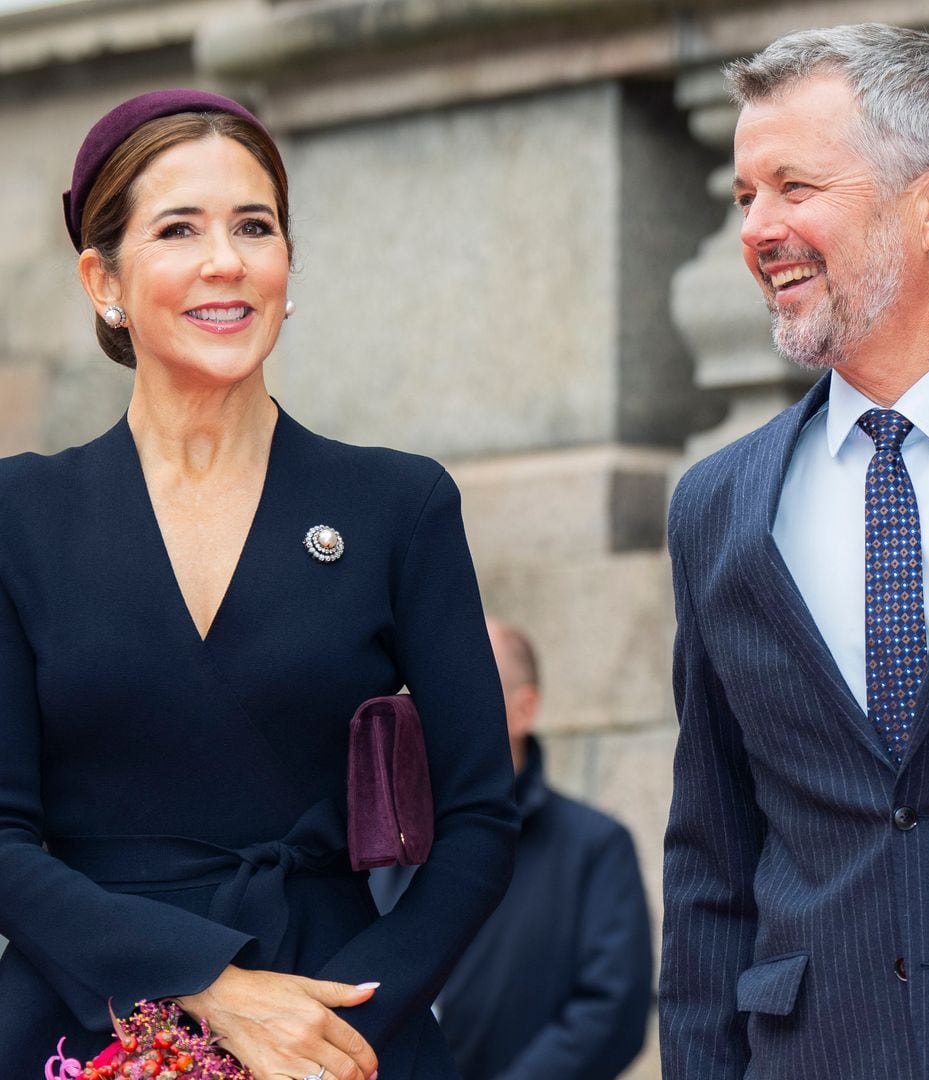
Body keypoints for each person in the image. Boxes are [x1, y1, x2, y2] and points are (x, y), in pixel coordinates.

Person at [0, 89, 519, 1080]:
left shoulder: (398, 504)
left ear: (289, 267)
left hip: (339, 1020)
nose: (225, 260)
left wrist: (338, 1029)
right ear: (102, 279)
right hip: (82, 1022)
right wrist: (208, 990)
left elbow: (482, 820)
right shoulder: (17, 517)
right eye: (178, 229)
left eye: (255, 225)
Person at [661, 22, 929, 1080]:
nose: (759, 228)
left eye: (795, 186)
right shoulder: (717, 504)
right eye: (745, 194)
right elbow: (712, 866)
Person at [373, 618, 652, 1079]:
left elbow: (611, 1011)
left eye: (466, 690)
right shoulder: (385, 843)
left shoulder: (595, 846)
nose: (439, 710)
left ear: (524, 708)